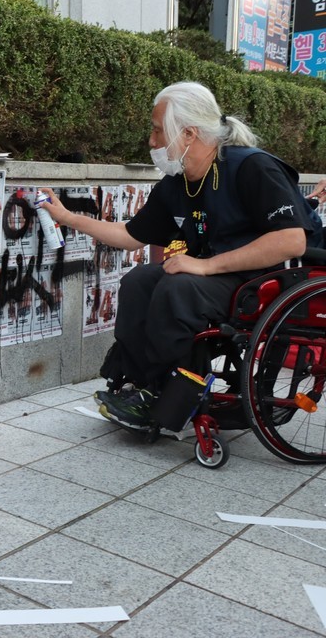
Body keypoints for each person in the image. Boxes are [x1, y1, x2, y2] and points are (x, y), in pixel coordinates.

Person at [39, 81, 324, 431]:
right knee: (139, 281)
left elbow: (291, 240)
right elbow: (130, 236)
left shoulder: (251, 167)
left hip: (268, 276)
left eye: (159, 130)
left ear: (188, 133)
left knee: (180, 289)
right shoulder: (178, 182)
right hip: (216, 274)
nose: (152, 141)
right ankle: (141, 384)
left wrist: (205, 265)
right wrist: (67, 218)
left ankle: (168, 393)